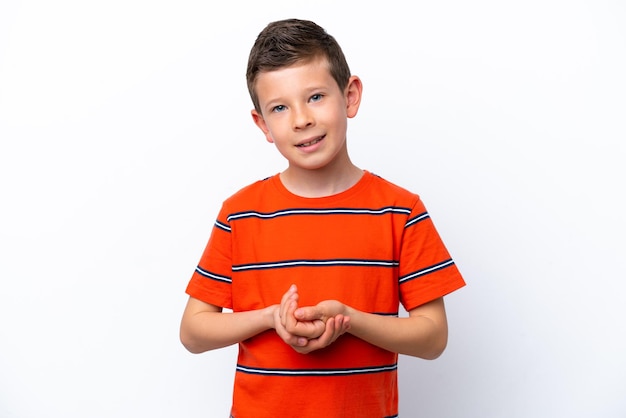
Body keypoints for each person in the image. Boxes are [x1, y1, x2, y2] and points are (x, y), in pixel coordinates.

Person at [180, 18, 466, 418]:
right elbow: (193, 331)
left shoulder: (400, 211)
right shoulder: (239, 213)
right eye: (280, 107)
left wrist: (350, 320)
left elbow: (433, 338)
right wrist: (269, 318)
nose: (301, 120)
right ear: (262, 123)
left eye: (315, 97)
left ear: (350, 96)